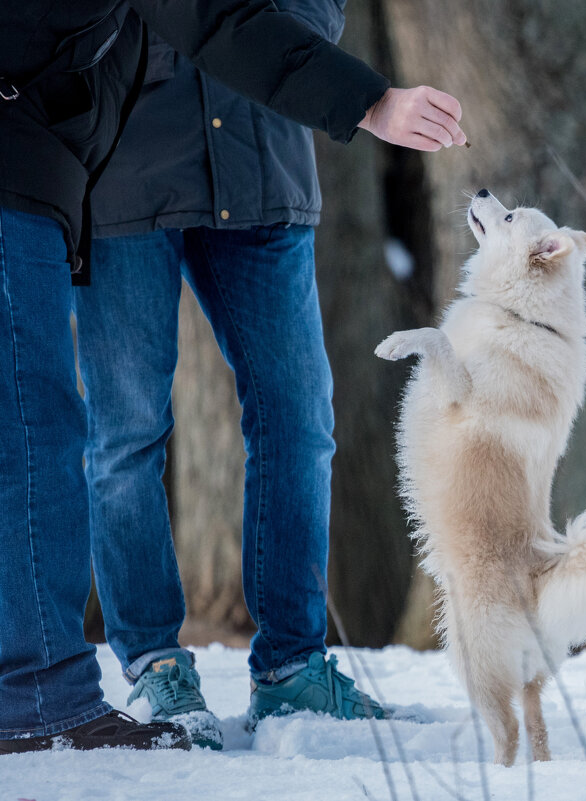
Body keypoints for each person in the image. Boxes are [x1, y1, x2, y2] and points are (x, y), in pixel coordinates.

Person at [0, 0, 465, 754]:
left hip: (263, 168)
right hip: (123, 177)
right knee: (126, 434)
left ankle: (293, 666)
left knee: (299, 423)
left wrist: (289, 42)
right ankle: (156, 665)